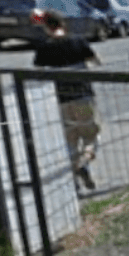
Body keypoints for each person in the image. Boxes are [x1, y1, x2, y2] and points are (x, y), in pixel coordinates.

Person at [32, 10, 102, 192]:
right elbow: (95, 61)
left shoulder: (43, 46)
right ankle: (84, 163)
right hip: (82, 95)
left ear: (47, 27)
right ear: (63, 24)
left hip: (61, 99)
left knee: (70, 140)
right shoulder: (77, 41)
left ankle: (75, 181)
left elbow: (37, 71)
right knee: (90, 134)